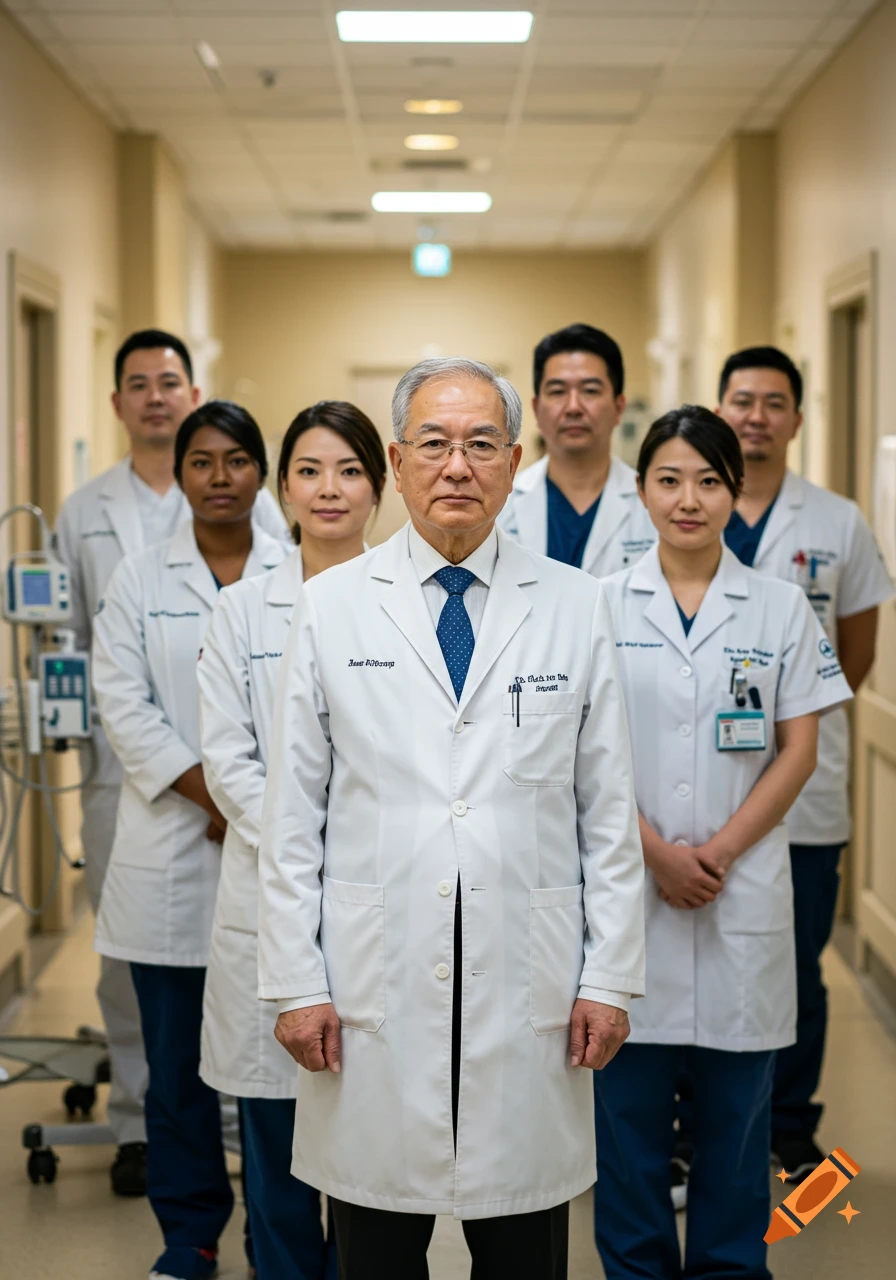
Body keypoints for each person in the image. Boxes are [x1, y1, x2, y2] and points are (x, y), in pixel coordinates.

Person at [257, 357, 646, 1280]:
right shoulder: (330, 608)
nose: (457, 467)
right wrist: (297, 984)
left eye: (480, 445)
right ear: (396, 461)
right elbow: (289, 821)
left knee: (523, 1241)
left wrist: (612, 978)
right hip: (373, 974)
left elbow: (608, 816)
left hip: (529, 975)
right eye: (433, 444)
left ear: (517, 462)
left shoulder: (575, 605)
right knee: (377, 1241)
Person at [592, 406, 852, 1280]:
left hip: (738, 893)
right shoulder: (598, 605)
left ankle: (732, 1270)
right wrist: (655, 853)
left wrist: (719, 853)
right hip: (632, 892)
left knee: (737, 1128)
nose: (688, 498)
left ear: (734, 495)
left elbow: (800, 747)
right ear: (641, 493)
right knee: (625, 1127)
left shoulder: (777, 608)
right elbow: (574, 757)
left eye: (708, 480)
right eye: (669, 479)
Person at [54, 329, 287, 1196]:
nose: (219, 477)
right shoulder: (138, 576)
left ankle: (275, 1228)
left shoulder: (297, 571)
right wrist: (213, 794)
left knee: (272, 1058)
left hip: (267, 832)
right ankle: (187, 1225)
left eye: (237, 462)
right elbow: (122, 702)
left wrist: (248, 802)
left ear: (262, 475)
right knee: (164, 1042)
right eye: (204, 463)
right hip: (168, 826)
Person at [197, 401, 387, 1280]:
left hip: (374, 896)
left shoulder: (405, 607)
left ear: (379, 489)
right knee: (272, 1136)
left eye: (349, 470)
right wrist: (305, 833)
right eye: (309, 470)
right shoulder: (240, 612)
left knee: (363, 1140)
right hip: (267, 891)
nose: (328, 489)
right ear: (282, 490)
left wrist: (346, 836)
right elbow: (228, 757)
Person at [716, 346, 894, 1182]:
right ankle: (703, 1126)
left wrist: (787, 733)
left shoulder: (837, 521)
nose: (756, 415)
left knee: (798, 964)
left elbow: (852, 657)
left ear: (796, 417)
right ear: (720, 408)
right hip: (693, 796)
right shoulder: (681, 506)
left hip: (805, 792)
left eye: (773, 402)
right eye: (742, 400)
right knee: (697, 958)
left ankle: (788, 1125)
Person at [498, 322, 655, 573]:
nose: (573, 407)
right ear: (537, 408)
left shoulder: (653, 506)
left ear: (619, 407)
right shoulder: (500, 504)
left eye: (590, 390)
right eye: (558, 391)